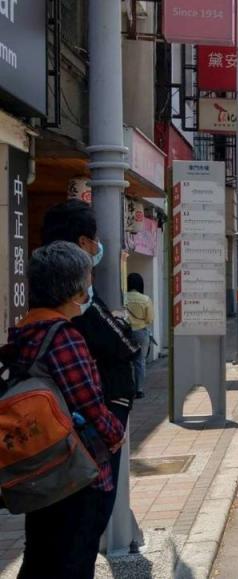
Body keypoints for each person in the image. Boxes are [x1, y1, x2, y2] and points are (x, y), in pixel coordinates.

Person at [2, 242, 125, 578]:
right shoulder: (63, 336)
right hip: (72, 472)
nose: (90, 289)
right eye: (88, 280)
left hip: (40, 470)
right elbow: (89, 403)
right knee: (72, 561)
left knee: (40, 558)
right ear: (73, 289)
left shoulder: (25, 329)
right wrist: (116, 434)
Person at [41, 200, 140, 531]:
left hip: (52, 445)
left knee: (53, 533)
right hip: (88, 436)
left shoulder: (33, 323)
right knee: (86, 521)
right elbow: (123, 347)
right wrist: (114, 429)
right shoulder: (71, 325)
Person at [125, 273, 154, 398]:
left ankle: (127, 387)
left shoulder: (123, 298)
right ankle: (139, 389)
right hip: (141, 332)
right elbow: (150, 319)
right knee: (139, 361)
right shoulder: (145, 299)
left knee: (126, 361)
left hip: (125, 332)